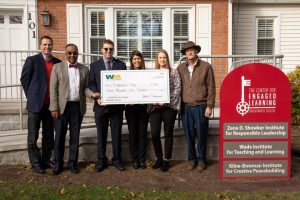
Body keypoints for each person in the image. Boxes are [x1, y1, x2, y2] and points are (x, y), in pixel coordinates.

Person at [49, 43, 94, 175]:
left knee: (75, 136)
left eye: (75, 53)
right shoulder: (57, 67)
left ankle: (73, 163)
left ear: (78, 53)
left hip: (77, 107)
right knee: (59, 137)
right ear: (65, 53)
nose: (72, 55)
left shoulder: (84, 69)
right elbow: (53, 89)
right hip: (61, 108)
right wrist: (54, 108)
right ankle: (58, 164)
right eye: (70, 53)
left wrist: (91, 94)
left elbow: (85, 88)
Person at [20, 36, 61, 174]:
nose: (47, 47)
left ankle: (45, 160)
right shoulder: (32, 60)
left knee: (48, 136)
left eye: (49, 44)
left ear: (52, 46)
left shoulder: (57, 62)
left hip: (51, 106)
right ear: (40, 45)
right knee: (32, 137)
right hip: (35, 105)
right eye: (44, 44)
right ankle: (35, 163)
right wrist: (32, 95)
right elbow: (24, 79)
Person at [177, 41, 216, 171]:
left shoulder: (206, 66)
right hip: (186, 107)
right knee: (189, 135)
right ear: (185, 53)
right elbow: (177, 87)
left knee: (201, 134)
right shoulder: (180, 68)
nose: (190, 52)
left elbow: (211, 87)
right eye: (187, 50)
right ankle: (192, 159)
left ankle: (201, 160)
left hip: (201, 106)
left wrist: (209, 106)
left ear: (196, 51)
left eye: (192, 49)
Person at [89, 39, 127, 172]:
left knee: (117, 134)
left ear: (113, 50)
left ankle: (117, 159)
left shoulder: (121, 65)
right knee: (101, 134)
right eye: (106, 49)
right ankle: (101, 160)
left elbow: (125, 84)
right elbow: (91, 83)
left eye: (111, 49)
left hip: (116, 107)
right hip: (100, 105)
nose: (108, 51)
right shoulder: (94, 65)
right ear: (101, 50)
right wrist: (96, 94)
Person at [148, 49, 181, 172]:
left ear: (167, 59)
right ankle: (159, 158)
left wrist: (165, 101)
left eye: (164, 57)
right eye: (160, 58)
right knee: (155, 133)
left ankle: (167, 159)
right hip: (155, 108)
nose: (162, 60)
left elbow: (177, 90)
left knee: (168, 133)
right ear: (157, 60)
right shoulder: (152, 73)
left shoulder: (173, 73)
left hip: (169, 107)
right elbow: (148, 90)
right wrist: (153, 100)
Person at [125, 50, 149, 169]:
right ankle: (134, 160)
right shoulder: (127, 74)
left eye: (139, 58)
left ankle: (142, 160)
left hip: (143, 108)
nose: (137, 61)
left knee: (142, 134)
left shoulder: (148, 74)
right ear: (131, 61)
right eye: (134, 59)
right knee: (133, 134)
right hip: (131, 109)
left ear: (142, 60)